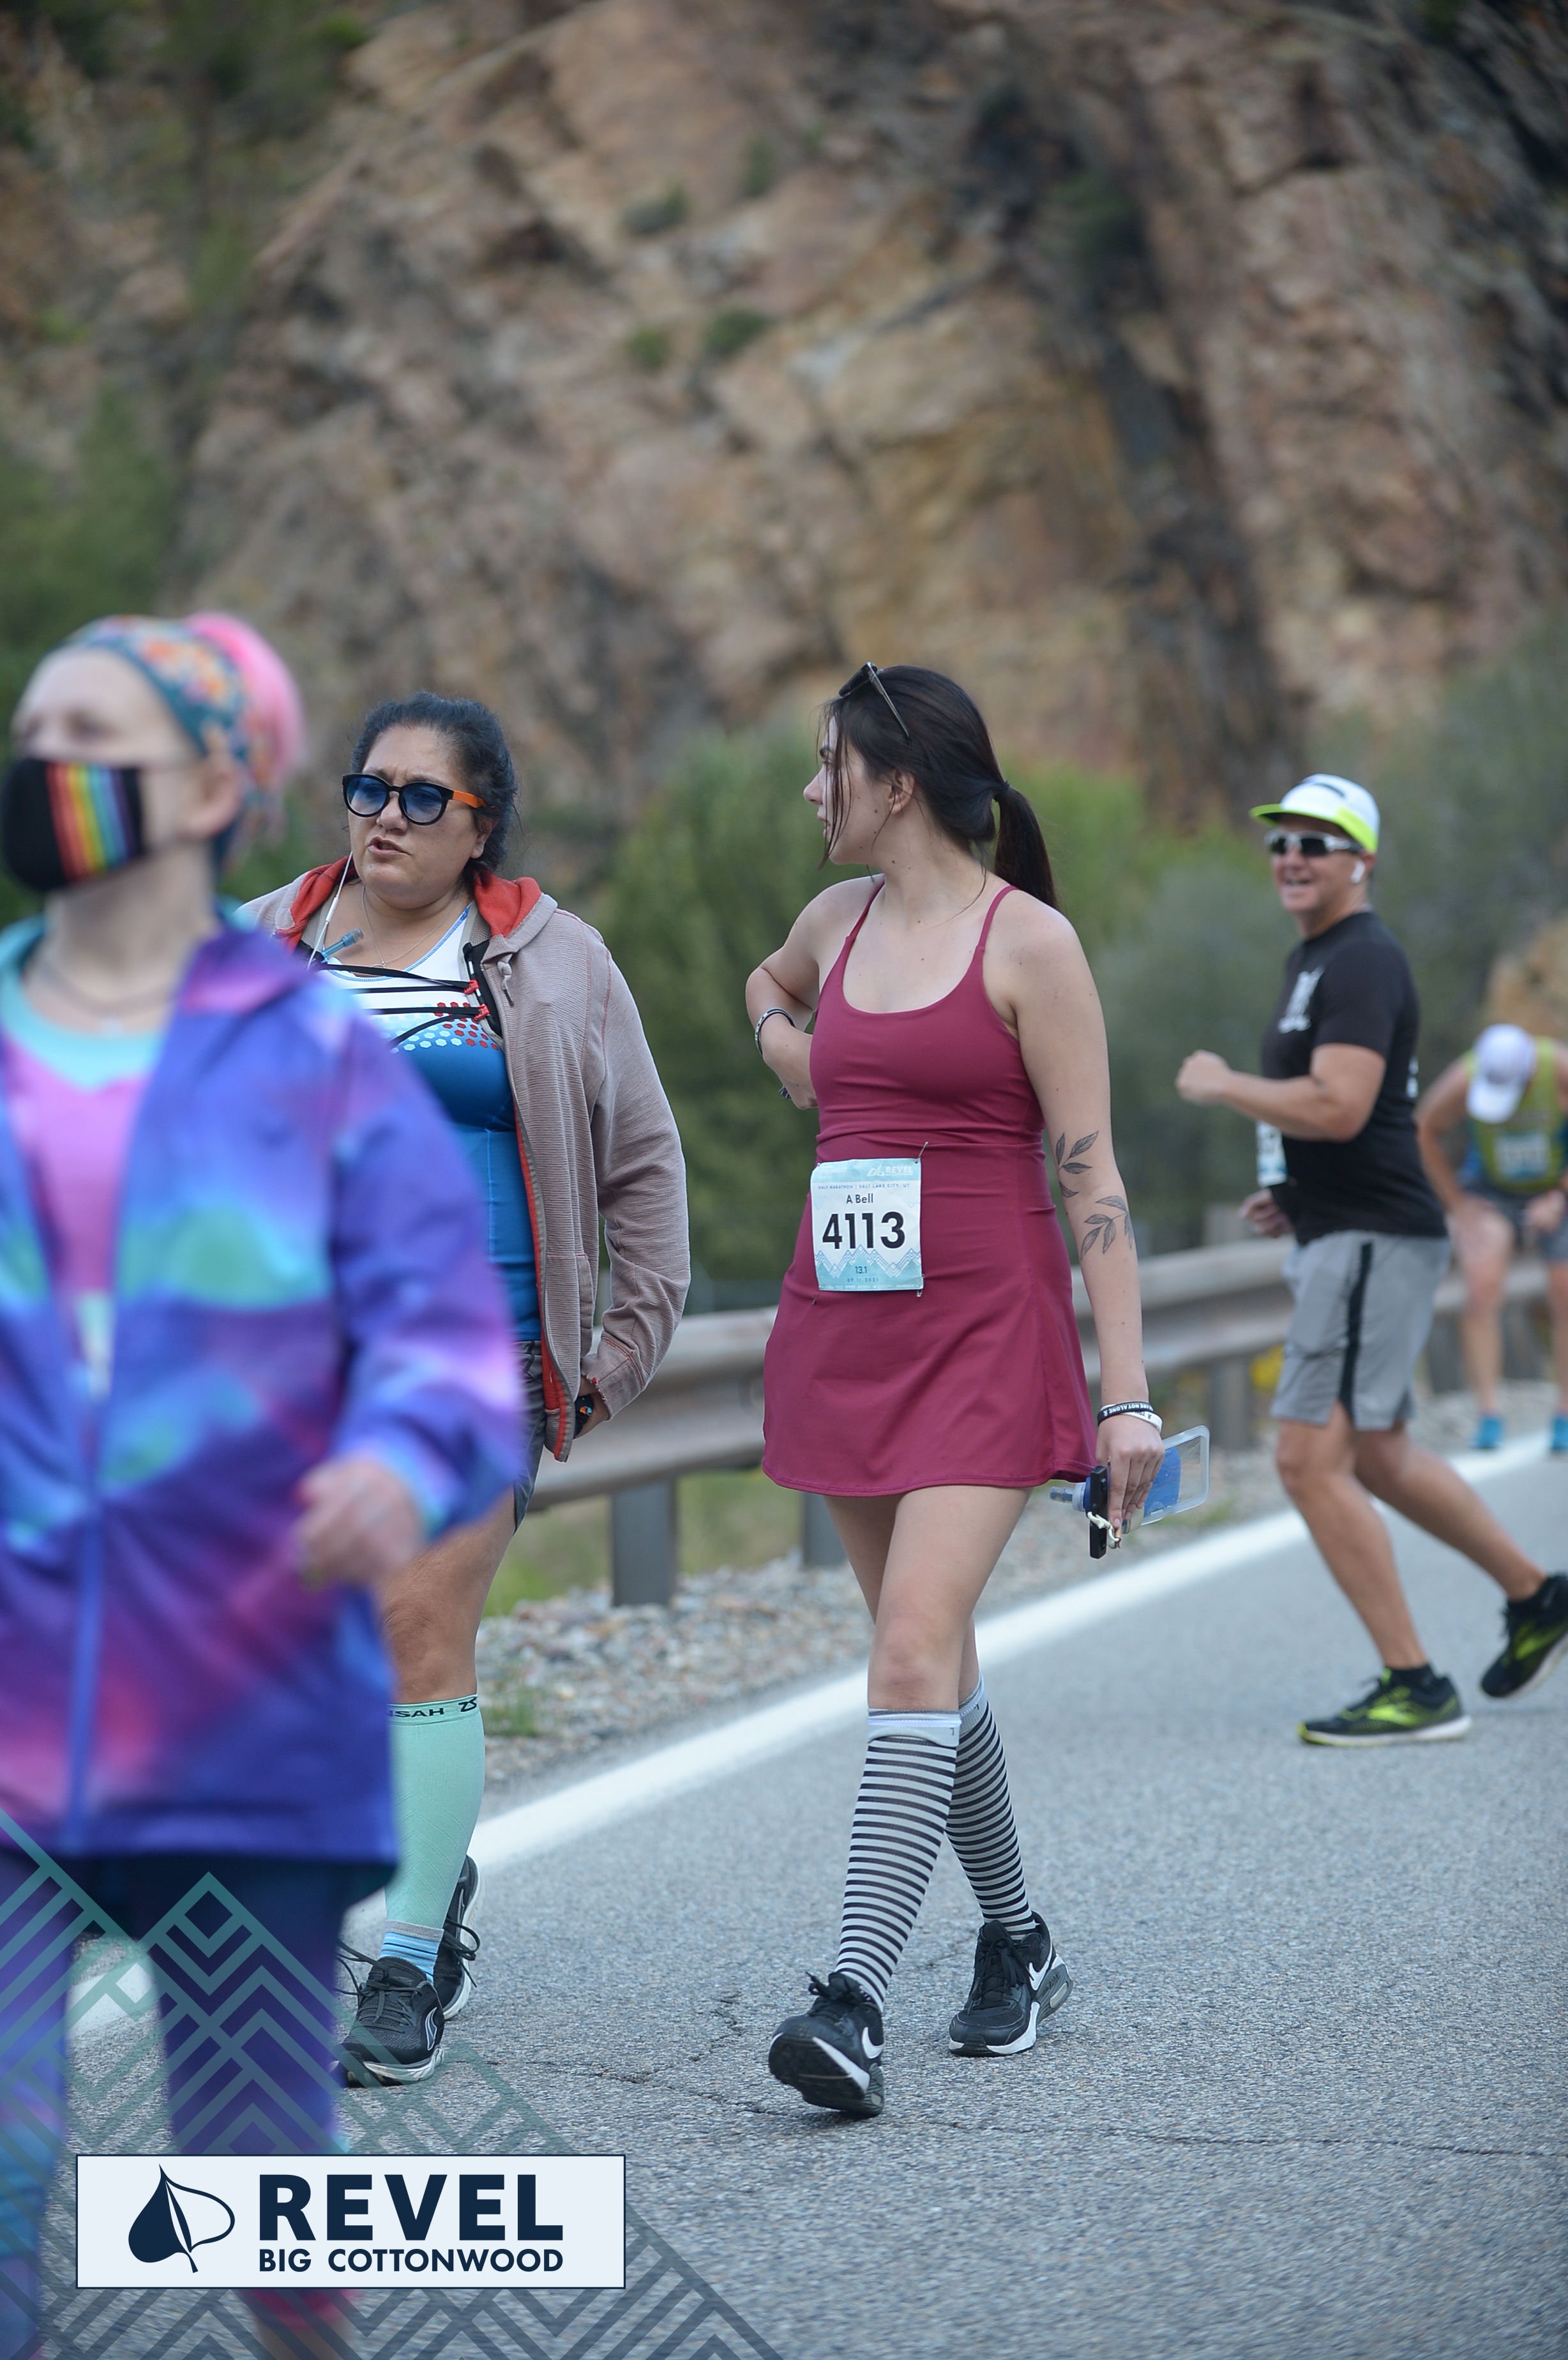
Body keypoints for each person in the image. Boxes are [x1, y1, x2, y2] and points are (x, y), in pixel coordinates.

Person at [0, 616, 522, 2360]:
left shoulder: (314, 1054)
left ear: (219, 779)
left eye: (96, 737)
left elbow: (449, 1347)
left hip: (240, 1712)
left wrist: (391, 1457)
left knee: (259, 2198)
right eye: (35, 732)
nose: (47, 767)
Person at [246, 691, 688, 2085]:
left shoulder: (555, 961)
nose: (386, 815)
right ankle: (427, 1871)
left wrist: (615, 1351)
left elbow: (644, 1165)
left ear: (479, 826)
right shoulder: (259, 946)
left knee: (416, 1622)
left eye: (422, 797)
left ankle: (403, 1966)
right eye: (368, 788)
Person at [746, 662, 1163, 2121]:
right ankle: (1019, 1939)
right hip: (844, 1331)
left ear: (898, 781)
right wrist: (788, 1052)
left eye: (829, 765)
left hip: (986, 1336)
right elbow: (767, 985)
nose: (812, 789)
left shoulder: (1027, 943)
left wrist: (1124, 1396)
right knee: (926, 1655)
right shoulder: (832, 924)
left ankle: (851, 2000)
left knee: (913, 1645)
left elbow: (1088, 1174)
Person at [1175, 774, 1568, 1744]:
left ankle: (1414, 1684)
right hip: (1352, 1228)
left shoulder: (1360, 959)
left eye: (1316, 842)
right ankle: (1537, 1597)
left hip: (1370, 1242)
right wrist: (1299, 1194)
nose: (1292, 856)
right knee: (1379, 1455)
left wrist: (1227, 1085)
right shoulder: (1318, 958)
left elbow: (1341, 1104)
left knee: (1306, 1460)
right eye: (1280, 841)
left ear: (1363, 862)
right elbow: (1370, 1114)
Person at [1415, 1022, 1568, 1453]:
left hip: (1555, 1184)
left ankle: (1564, 1412)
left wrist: (1559, 1197)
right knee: (1481, 1290)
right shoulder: (1464, 1079)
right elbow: (1424, 1129)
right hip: (1491, 1191)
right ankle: (1488, 1413)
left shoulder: (1557, 1068)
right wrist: (1457, 1203)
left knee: (1564, 1293)